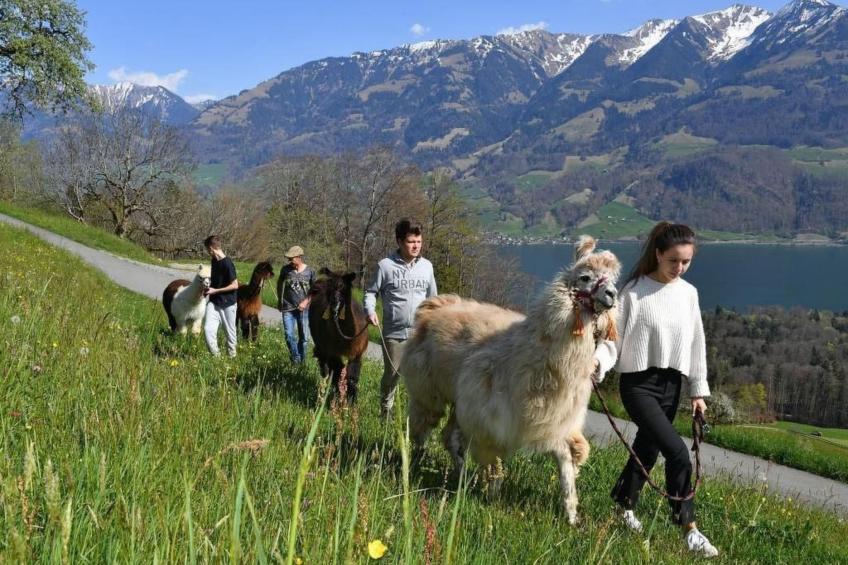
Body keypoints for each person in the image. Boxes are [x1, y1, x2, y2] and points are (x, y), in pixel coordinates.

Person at [592, 221, 719, 558]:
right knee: (677, 452)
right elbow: (610, 341)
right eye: (673, 260)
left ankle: (622, 505)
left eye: (686, 262)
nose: (680, 268)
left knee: (647, 449)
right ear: (658, 253)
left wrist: (698, 392)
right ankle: (688, 528)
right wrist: (597, 364)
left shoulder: (688, 294)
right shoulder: (632, 292)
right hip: (638, 385)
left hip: (671, 385)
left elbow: (696, 345)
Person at [365, 218, 437, 416]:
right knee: (393, 374)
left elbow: (434, 299)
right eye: (411, 241)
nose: (416, 246)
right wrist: (370, 311)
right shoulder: (385, 266)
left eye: (419, 241)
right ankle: (386, 411)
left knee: (421, 377)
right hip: (394, 333)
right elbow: (371, 292)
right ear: (399, 241)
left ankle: (417, 416)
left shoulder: (427, 267)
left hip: (420, 334)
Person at [277, 245, 316, 364]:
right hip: (287, 308)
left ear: (299, 257)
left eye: (291, 258)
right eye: (289, 259)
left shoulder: (310, 272)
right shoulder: (285, 270)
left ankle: (301, 362)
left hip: (304, 310)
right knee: (289, 335)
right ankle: (296, 358)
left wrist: (305, 302)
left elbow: (315, 291)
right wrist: (280, 300)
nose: (289, 261)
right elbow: (279, 284)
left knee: (304, 338)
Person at [203, 235, 239, 357]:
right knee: (208, 330)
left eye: (208, 250)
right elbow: (216, 282)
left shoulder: (227, 263)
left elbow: (235, 285)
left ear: (211, 248)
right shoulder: (214, 261)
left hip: (228, 303)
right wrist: (207, 288)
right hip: (214, 303)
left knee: (230, 333)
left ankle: (232, 357)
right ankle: (216, 357)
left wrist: (215, 290)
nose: (208, 252)